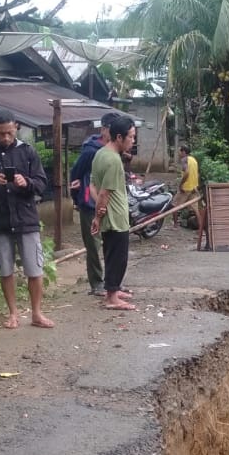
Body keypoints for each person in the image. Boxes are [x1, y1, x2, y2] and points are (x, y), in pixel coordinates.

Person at [0, 114, 54, 329]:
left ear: (16, 128)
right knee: (5, 269)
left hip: (26, 219)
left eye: (10, 132)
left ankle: (37, 313)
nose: (6, 137)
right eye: (1, 133)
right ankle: (13, 314)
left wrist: (24, 181)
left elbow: (41, 183)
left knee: (35, 269)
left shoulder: (28, 152)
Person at [90, 113, 137, 312]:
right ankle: (111, 297)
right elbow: (103, 193)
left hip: (112, 214)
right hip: (115, 217)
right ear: (119, 137)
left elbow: (92, 186)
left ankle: (114, 290)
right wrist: (98, 216)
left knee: (112, 255)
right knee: (118, 257)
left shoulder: (101, 154)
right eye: (131, 137)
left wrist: (99, 212)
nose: (133, 141)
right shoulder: (113, 160)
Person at [69, 116, 114, 296]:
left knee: (112, 242)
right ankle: (97, 283)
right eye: (111, 129)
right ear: (103, 129)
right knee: (94, 245)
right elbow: (76, 175)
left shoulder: (115, 150)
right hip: (90, 203)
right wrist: (78, 197)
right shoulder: (90, 151)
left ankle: (112, 282)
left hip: (110, 202)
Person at [172, 143, 199, 225]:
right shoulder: (194, 160)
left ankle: (175, 225)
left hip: (186, 188)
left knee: (174, 206)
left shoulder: (184, 159)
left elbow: (186, 173)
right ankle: (200, 227)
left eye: (180, 151)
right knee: (195, 209)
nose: (179, 153)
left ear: (183, 152)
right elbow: (197, 174)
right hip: (194, 188)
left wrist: (180, 185)